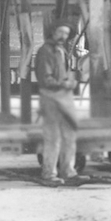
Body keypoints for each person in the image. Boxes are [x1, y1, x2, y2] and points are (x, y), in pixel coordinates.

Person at [33, 22, 80, 186]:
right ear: (53, 32)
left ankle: (68, 171)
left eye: (66, 33)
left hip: (65, 97)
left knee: (70, 136)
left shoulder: (62, 50)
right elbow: (45, 79)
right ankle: (49, 174)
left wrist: (69, 82)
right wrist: (65, 84)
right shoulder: (46, 51)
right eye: (60, 32)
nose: (63, 36)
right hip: (50, 97)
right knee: (53, 137)